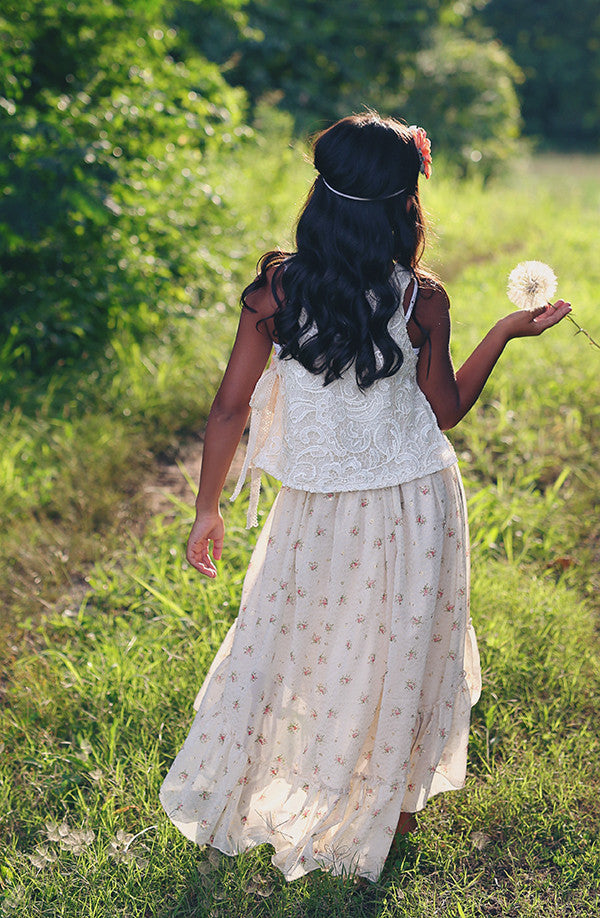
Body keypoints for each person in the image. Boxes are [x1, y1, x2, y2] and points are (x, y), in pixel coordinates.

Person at [159, 112, 571, 883]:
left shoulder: (276, 290)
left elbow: (228, 411)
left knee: (301, 644)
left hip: (317, 509)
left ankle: (329, 791)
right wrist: (506, 332)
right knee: (399, 651)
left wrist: (207, 508)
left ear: (321, 196)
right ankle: (391, 807)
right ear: (404, 207)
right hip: (417, 504)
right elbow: (446, 410)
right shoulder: (422, 298)